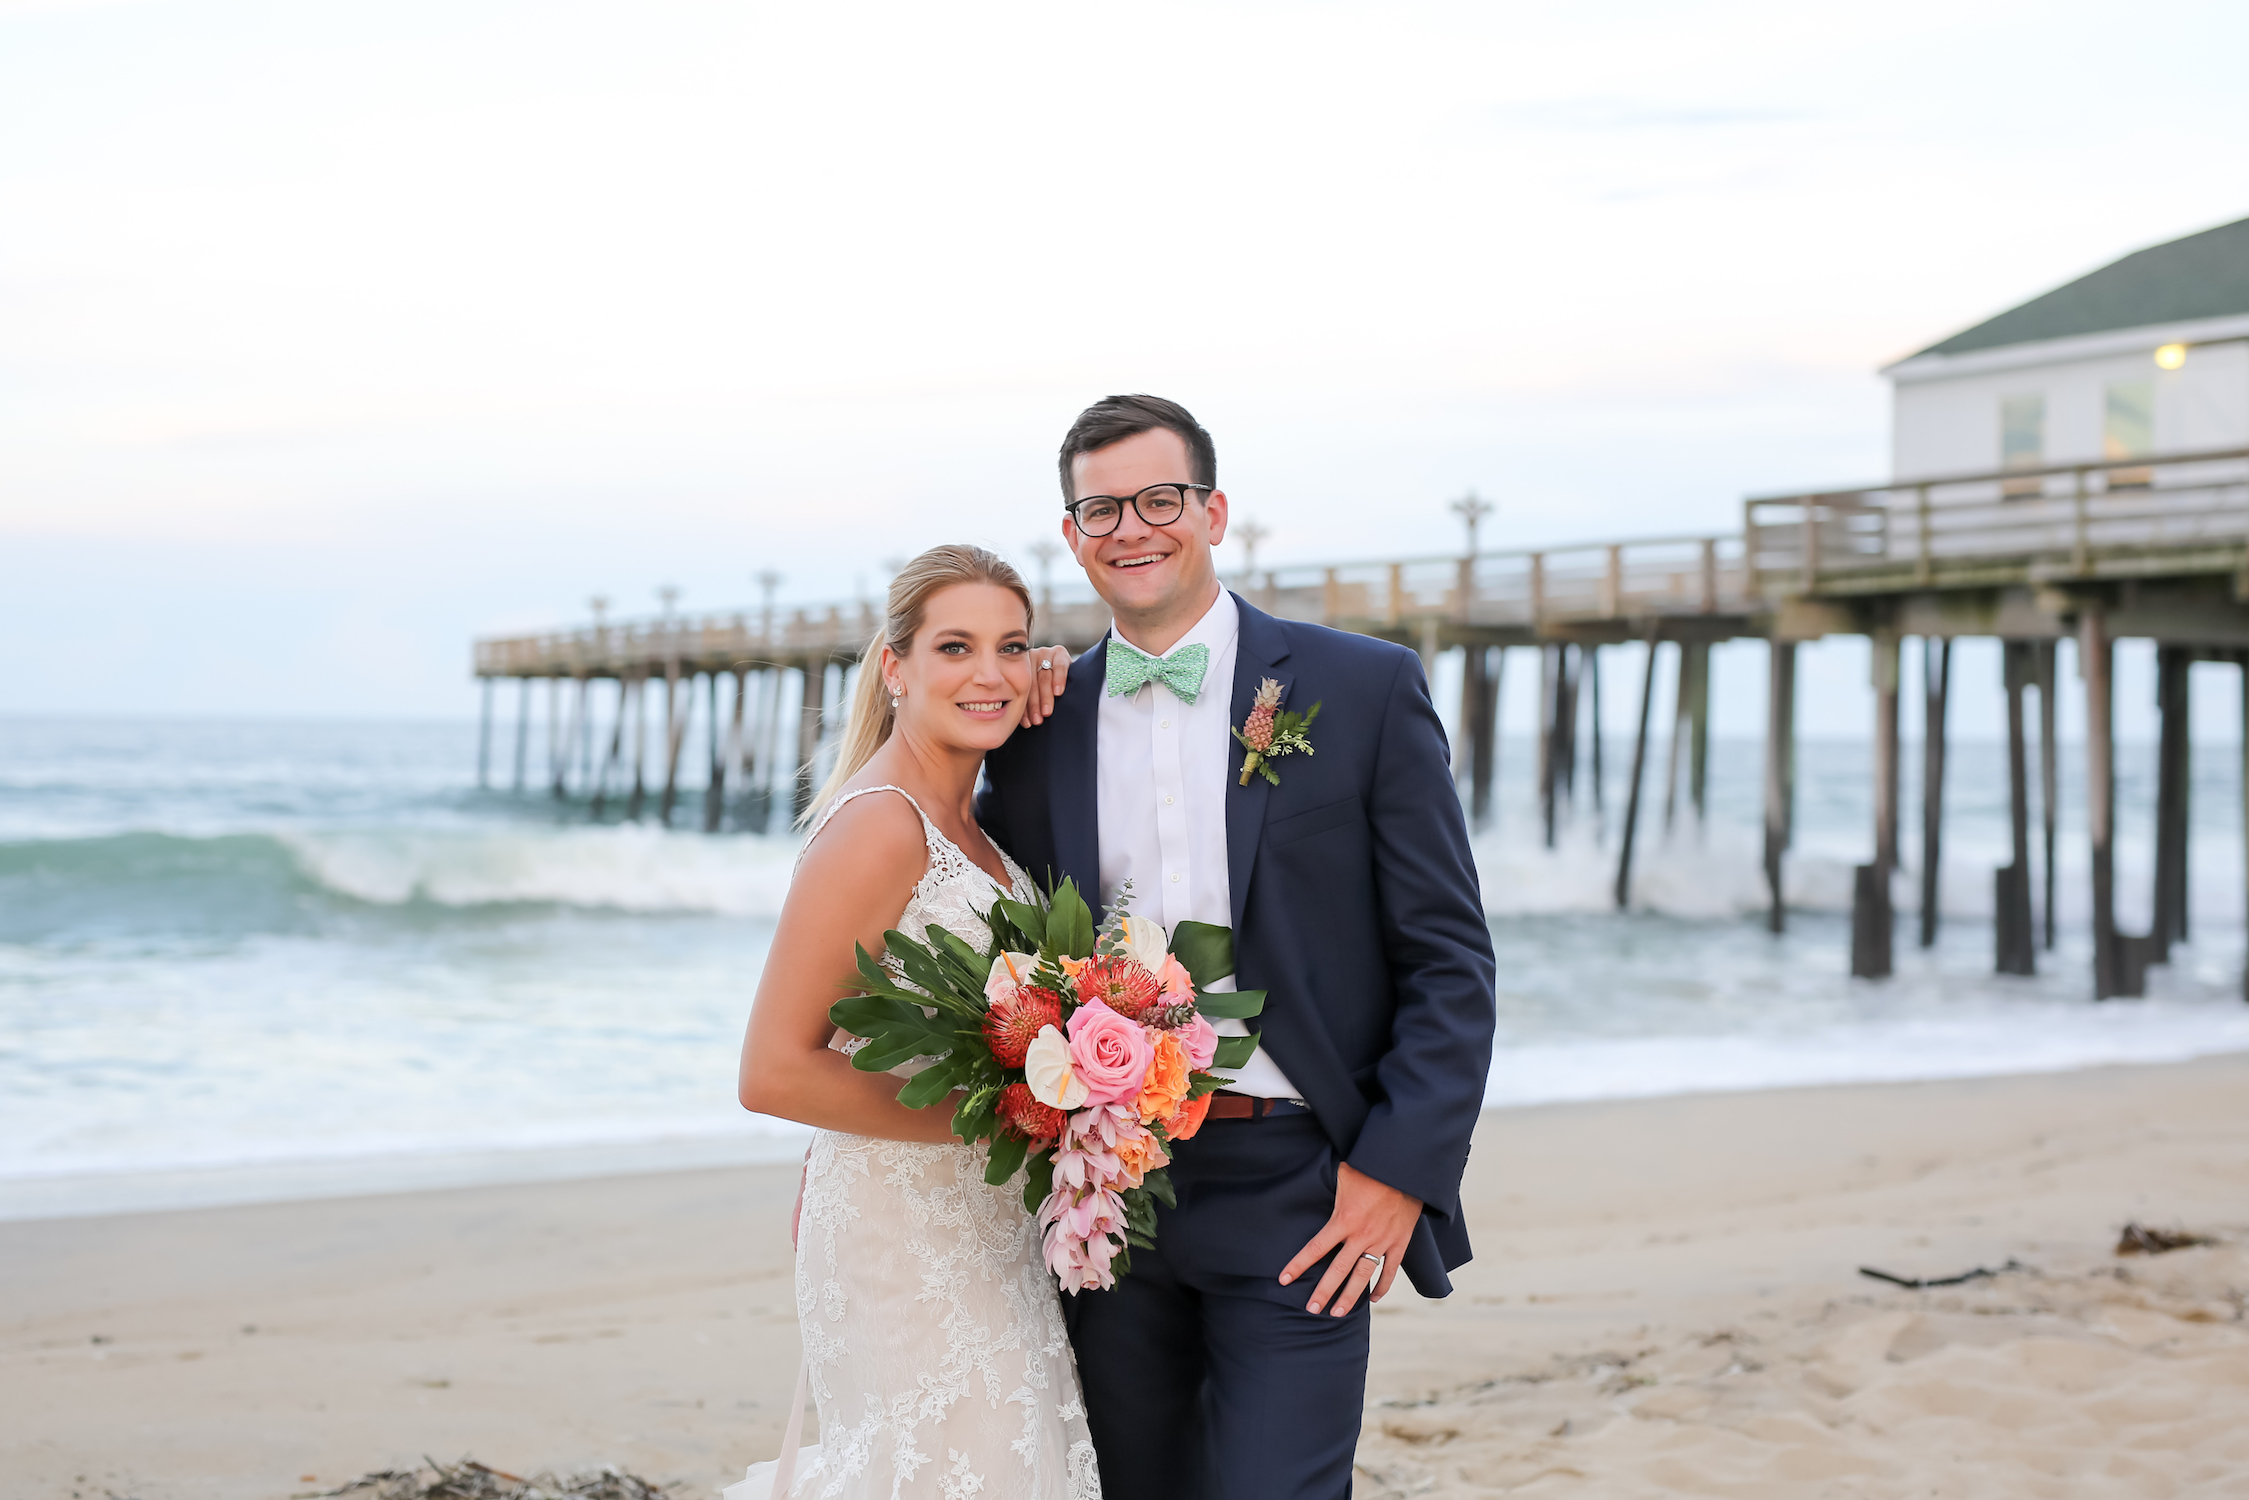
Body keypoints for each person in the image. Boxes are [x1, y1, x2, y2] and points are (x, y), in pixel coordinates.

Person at [978, 395, 1497, 1499]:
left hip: (1300, 1183)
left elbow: (1448, 960)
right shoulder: (1036, 729)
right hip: (1107, 1189)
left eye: (1158, 499)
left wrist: (1397, 1173)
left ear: (1212, 512)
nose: (1131, 528)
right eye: (1099, 509)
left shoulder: (1361, 689)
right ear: (1070, 538)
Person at [734, 545, 1100, 1500]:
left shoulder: (974, 826)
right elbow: (772, 1069)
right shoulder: (880, 825)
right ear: (894, 667)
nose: (988, 672)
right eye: (955, 646)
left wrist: (1066, 678)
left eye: (1012, 646)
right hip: (904, 1231)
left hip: (989, 1223)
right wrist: (1013, 1119)